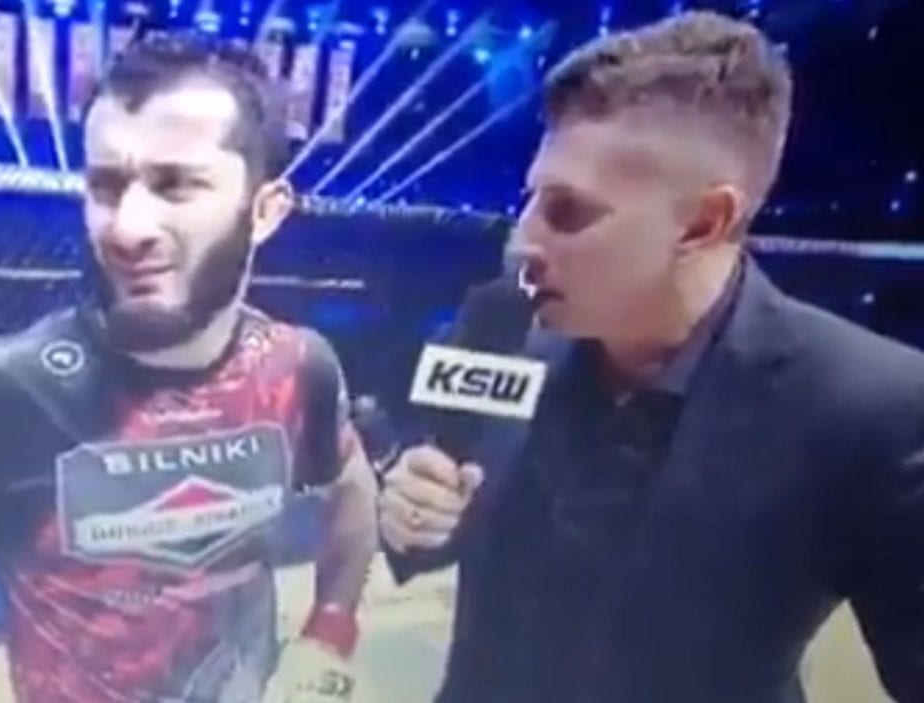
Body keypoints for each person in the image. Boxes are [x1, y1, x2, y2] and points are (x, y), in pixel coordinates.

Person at [380, 11, 924, 703]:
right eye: (531, 199)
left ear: (703, 222)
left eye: (568, 211)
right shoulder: (507, 338)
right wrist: (412, 511)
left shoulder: (870, 406)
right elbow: (434, 518)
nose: (522, 242)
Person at [0, 32, 378, 703]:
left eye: (176, 185)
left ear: (265, 210)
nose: (126, 227)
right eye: (105, 185)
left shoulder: (297, 365)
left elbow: (352, 489)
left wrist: (330, 630)